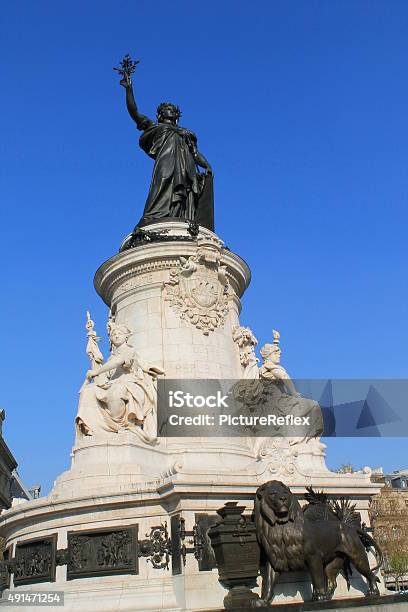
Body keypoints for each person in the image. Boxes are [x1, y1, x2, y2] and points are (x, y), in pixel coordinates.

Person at [120, 71, 214, 230]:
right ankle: (155, 216)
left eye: (171, 108)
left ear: (176, 115)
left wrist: (207, 166)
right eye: (165, 108)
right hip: (166, 163)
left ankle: (180, 217)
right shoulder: (156, 127)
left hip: (186, 167)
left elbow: (195, 153)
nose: (168, 109)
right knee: (161, 186)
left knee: (185, 193)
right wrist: (129, 89)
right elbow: (134, 113)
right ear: (159, 114)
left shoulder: (185, 133)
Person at [75, 320, 164, 443]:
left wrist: (97, 372)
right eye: (113, 334)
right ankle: (92, 430)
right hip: (113, 384)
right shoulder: (112, 357)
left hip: (130, 383)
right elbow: (103, 377)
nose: (116, 336)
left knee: (117, 391)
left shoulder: (129, 350)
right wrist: (94, 359)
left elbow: (118, 362)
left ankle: (123, 426)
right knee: (89, 391)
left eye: (120, 333)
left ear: (127, 337)